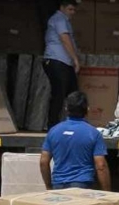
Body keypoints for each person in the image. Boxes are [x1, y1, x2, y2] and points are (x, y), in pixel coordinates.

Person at [40, 92, 111, 191]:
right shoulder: (93, 133)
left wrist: (48, 186)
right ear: (87, 109)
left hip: (58, 186)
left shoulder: (54, 131)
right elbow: (101, 166)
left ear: (66, 109)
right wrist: (107, 192)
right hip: (83, 186)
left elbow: (43, 162)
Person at [43, 0, 81, 130]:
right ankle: (52, 126)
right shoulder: (59, 19)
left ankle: (73, 123)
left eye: (74, 10)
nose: (73, 13)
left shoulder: (64, 21)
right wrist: (75, 59)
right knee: (59, 94)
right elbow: (65, 39)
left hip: (64, 62)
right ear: (62, 7)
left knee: (73, 94)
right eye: (70, 9)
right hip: (57, 60)